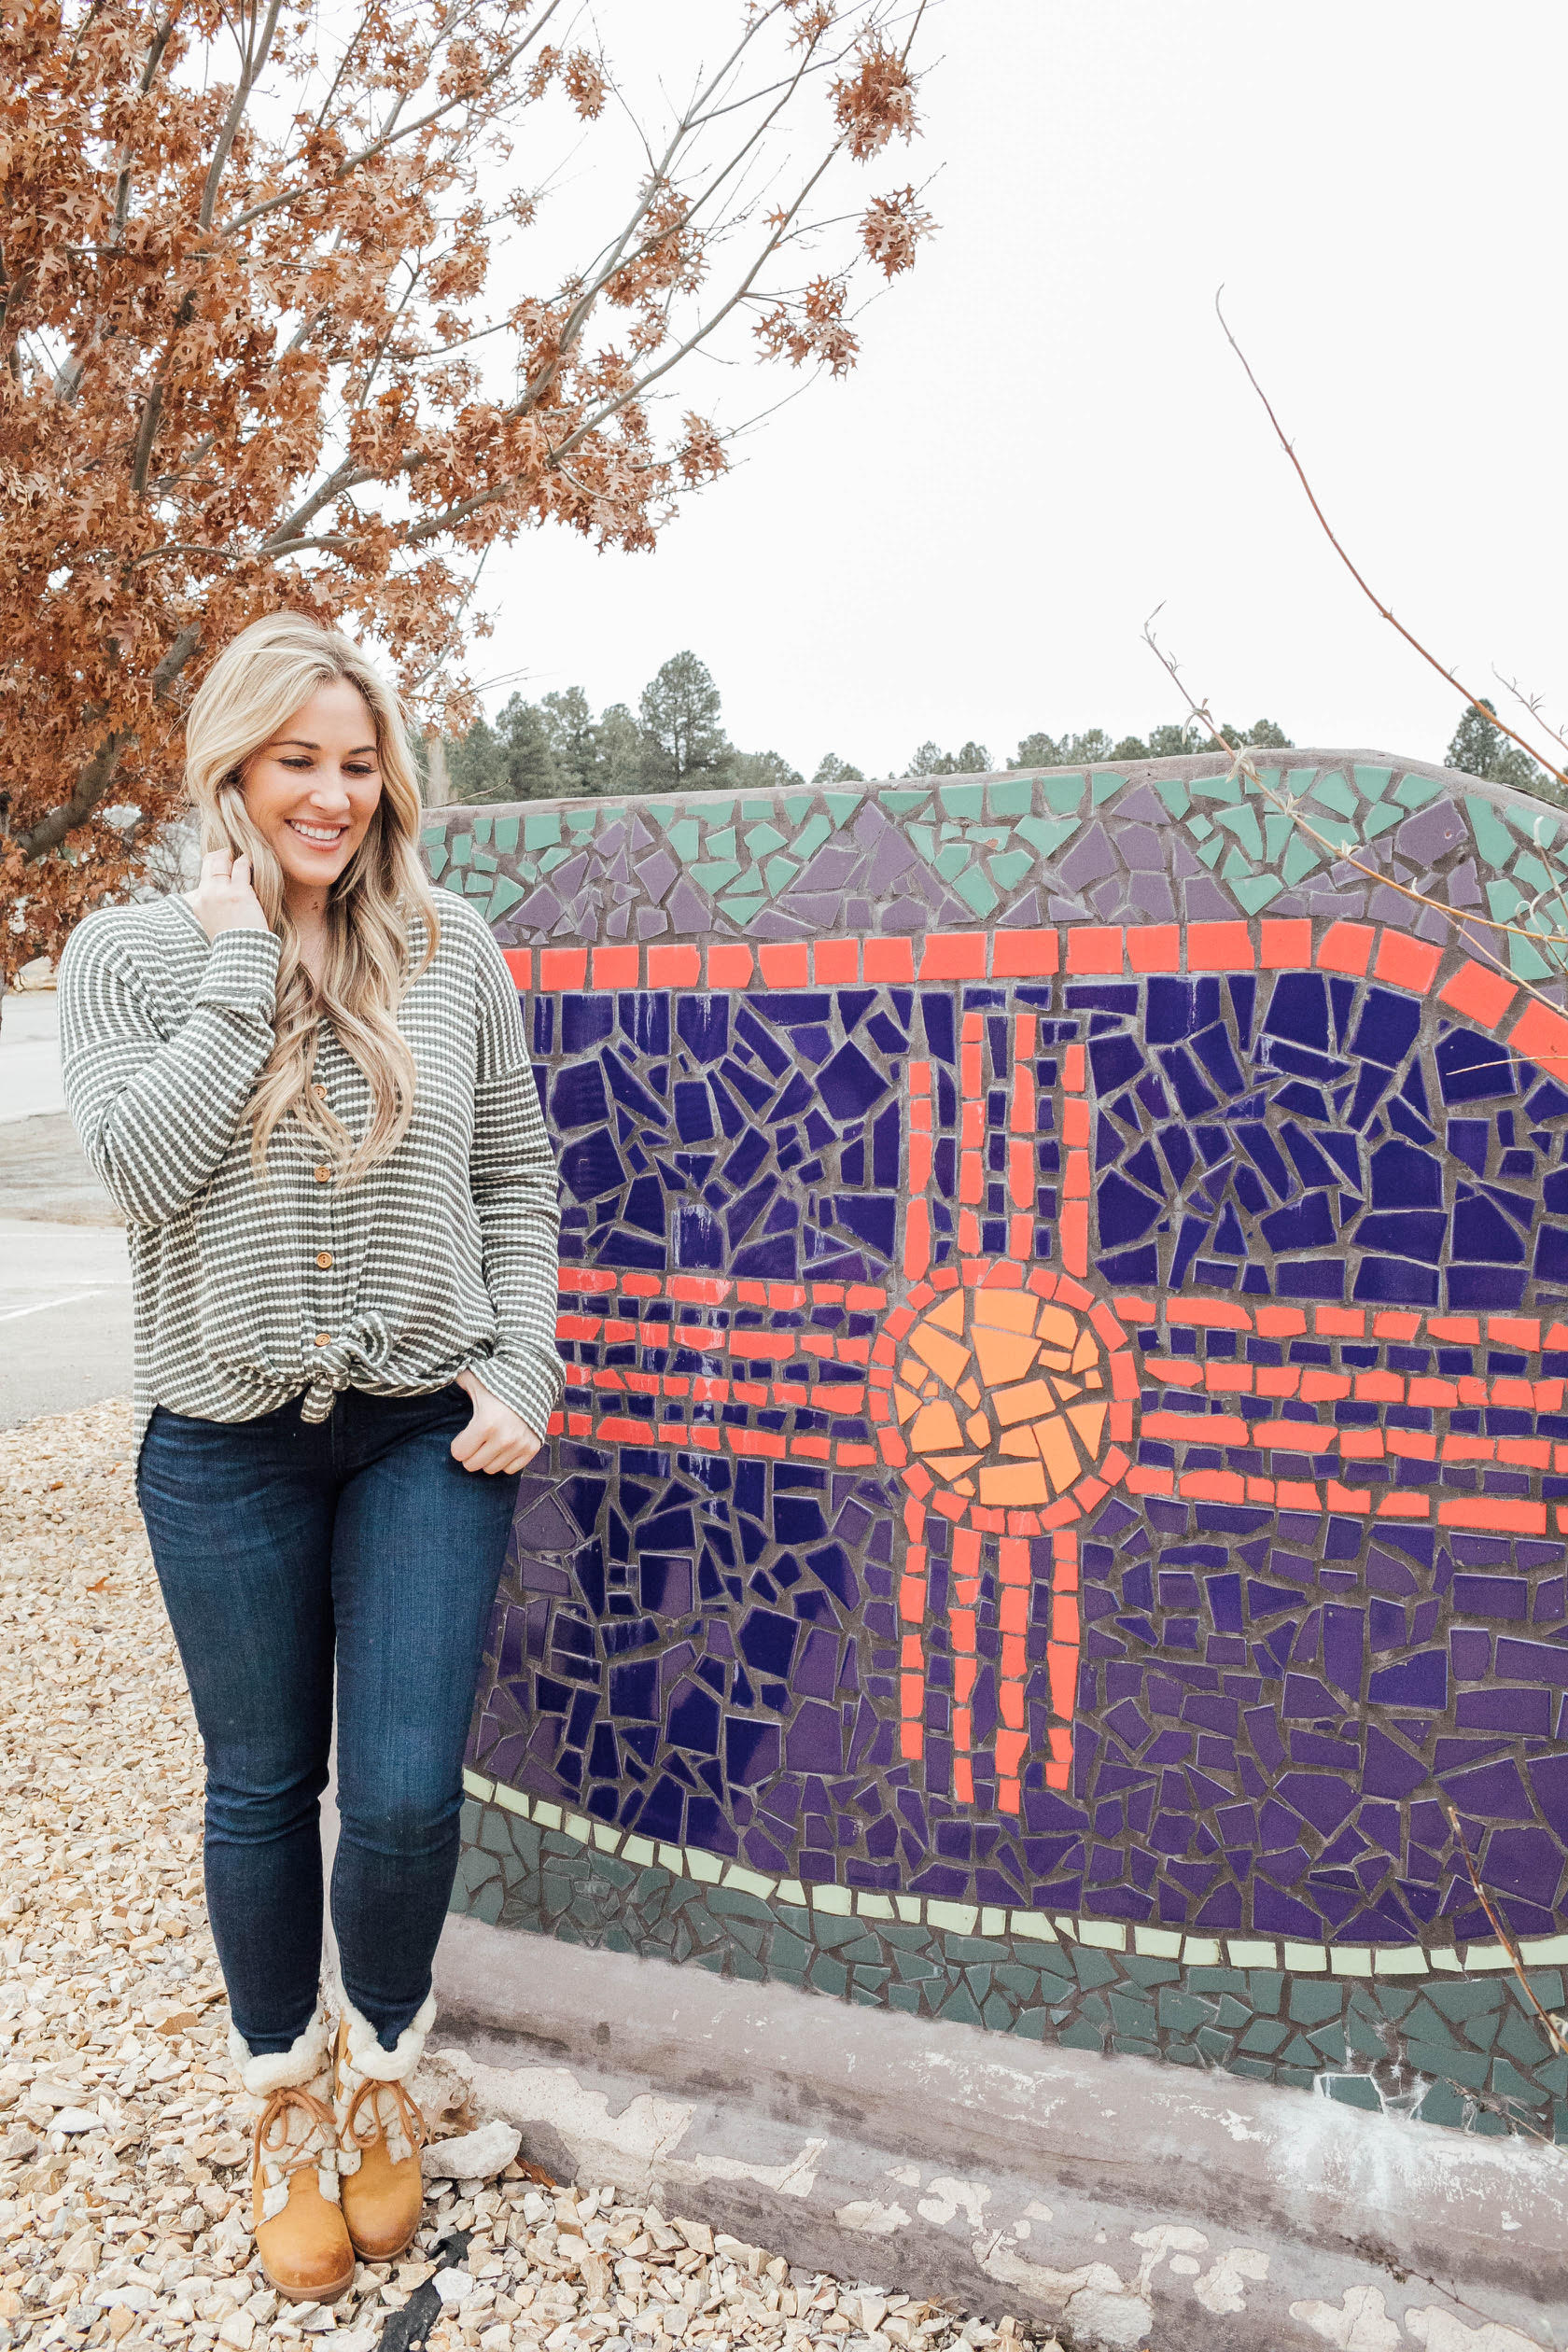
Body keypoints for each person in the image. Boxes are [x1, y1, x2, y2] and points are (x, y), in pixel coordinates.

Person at [59, 614, 562, 2303]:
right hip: (223, 1448)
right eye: (300, 764)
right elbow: (141, 1170)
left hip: (425, 1432)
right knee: (264, 1789)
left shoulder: (455, 946)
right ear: (231, 769)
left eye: (360, 766)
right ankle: (282, 2096)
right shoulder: (129, 958)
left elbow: (517, 1179)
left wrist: (526, 1363)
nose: (335, 798)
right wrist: (233, 958)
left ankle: (384, 2065)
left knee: (408, 1795)